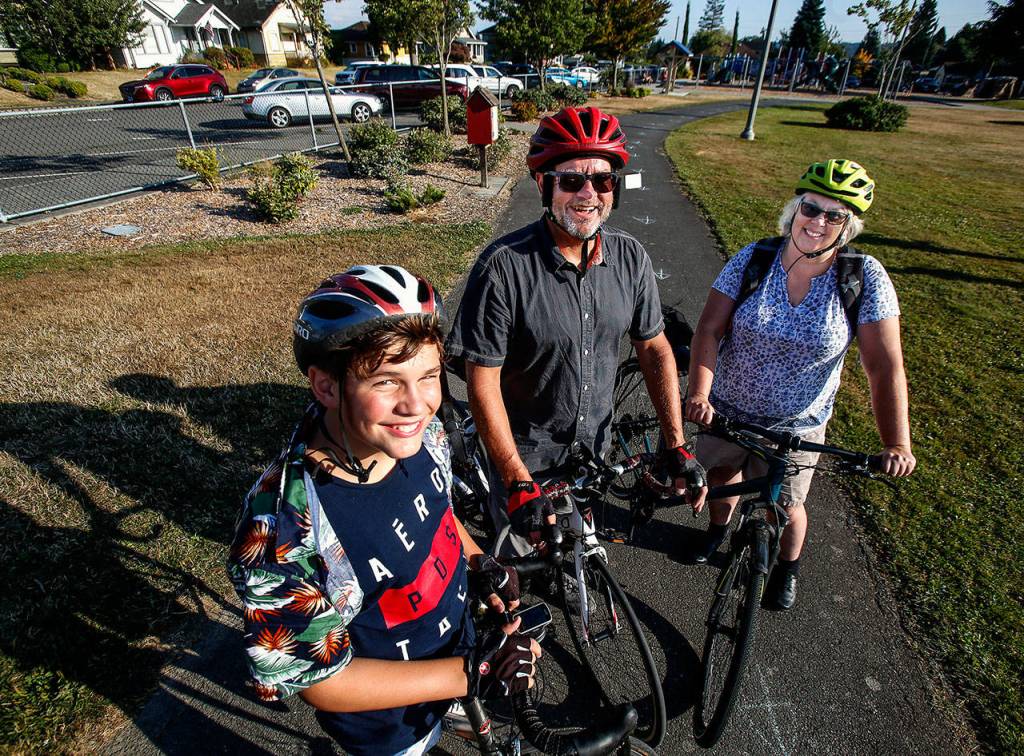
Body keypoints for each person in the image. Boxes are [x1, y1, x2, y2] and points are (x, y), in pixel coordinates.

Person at [227, 265, 540, 756]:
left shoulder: (421, 436)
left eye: (429, 376)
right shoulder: (280, 532)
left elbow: (439, 513)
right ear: (327, 387)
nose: (416, 405)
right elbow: (320, 681)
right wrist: (473, 670)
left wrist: (479, 560)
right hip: (388, 724)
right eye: (388, 382)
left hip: (454, 649)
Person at [447, 105, 706, 557]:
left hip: (592, 453)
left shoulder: (630, 259)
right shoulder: (503, 267)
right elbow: (481, 379)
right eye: (571, 180)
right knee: (520, 568)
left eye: (602, 180)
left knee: (578, 553)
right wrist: (515, 480)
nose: (589, 194)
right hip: (524, 457)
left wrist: (676, 444)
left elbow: (655, 349)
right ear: (542, 185)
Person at [685, 159, 917, 610]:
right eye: (812, 209)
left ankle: (788, 568)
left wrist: (897, 442)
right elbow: (709, 330)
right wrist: (698, 393)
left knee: (788, 507)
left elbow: (885, 367)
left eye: (835, 216)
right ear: (795, 209)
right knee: (718, 477)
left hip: (798, 424)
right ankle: (717, 533)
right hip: (726, 409)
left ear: (849, 226)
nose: (819, 222)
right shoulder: (755, 258)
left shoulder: (863, 278)